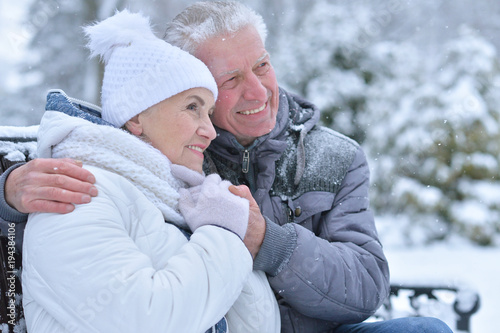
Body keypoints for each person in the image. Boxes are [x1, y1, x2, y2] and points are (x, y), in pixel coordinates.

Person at [1, 2, 453, 332]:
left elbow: (368, 284)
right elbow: (103, 139)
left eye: (262, 66)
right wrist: (7, 189)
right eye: (230, 81)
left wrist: (268, 242)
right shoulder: (171, 145)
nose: (258, 92)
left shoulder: (335, 156)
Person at [20, 10, 280, 333]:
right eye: (192, 107)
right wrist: (224, 233)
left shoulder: (167, 196)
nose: (210, 131)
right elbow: (149, 321)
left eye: (209, 112)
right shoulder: (76, 193)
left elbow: (260, 324)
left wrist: (223, 227)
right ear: (137, 117)